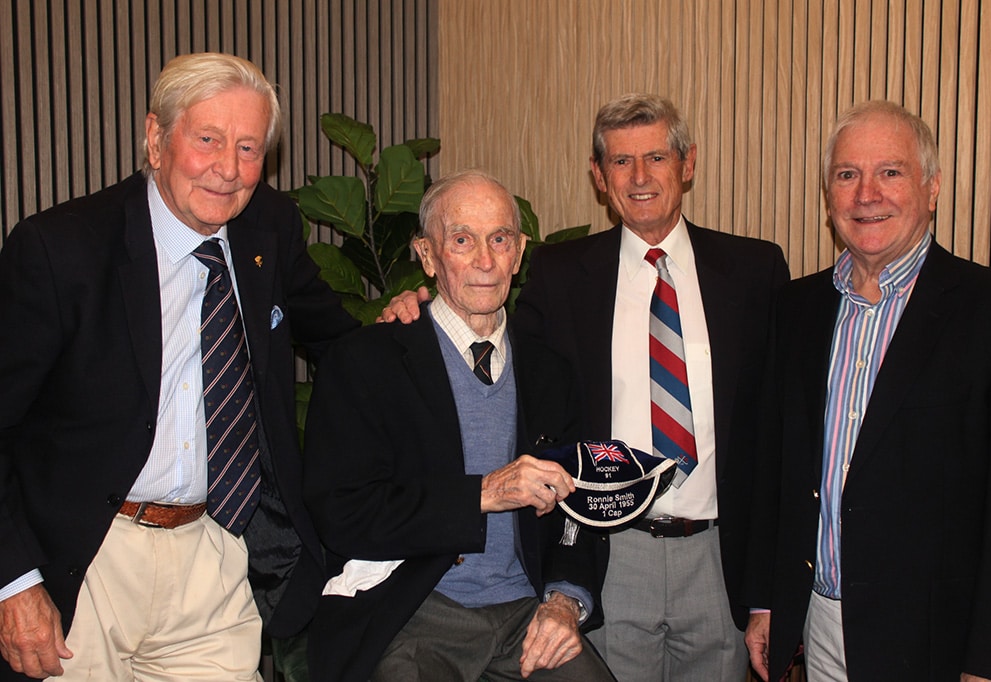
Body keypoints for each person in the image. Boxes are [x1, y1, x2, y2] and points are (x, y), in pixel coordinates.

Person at [383, 94, 789, 681]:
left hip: (720, 556)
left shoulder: (755, 271)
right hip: (611, 552)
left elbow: (779, 432)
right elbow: (486, 339)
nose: (640, 177)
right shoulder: (560, 273)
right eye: (621, 161)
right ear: (599, 177)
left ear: (688, 163)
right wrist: (414, 310)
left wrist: (767, 594)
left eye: (657, 157)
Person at [0, 52, 359, 680]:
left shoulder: (268, 228)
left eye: (249, 148)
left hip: (210, 552)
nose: (229, 169)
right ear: (155, 139)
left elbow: (341, 343)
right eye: (208, 140)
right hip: (87, 557)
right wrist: (13, 580)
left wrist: (407, 322)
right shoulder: (60, 248)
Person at [743, 100, 991, 682]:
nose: (866, 194)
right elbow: (777, 468)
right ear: (829, 194)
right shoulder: (795, 308)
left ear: (932, 187)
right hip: (818, 621)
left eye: (890, 172)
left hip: (935, 641)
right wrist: (768, 601)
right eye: (847, 174)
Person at [302, 170, 615, 682]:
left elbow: (579, 507)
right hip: (412, 609)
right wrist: (482, 494)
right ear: (427, 256)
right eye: (463, 241)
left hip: (526, 612)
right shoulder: (366, 362)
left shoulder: (551, 372)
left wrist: (564, 601)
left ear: (519, 252)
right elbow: (341, 513)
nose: (485, 262)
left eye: (500, 240)